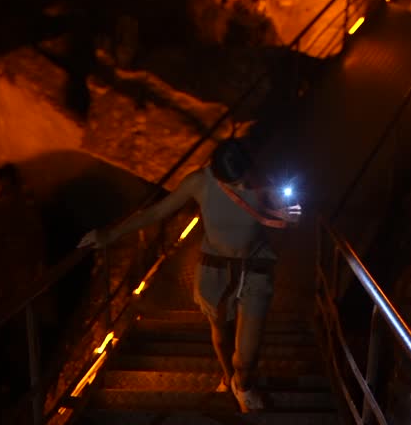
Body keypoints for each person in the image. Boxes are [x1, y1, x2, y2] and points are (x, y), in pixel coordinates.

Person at [79, 138, 299, 412]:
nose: (243, 187)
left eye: (244, 179)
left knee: (247, 353)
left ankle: (242, 384)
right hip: (215, 269)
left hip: (255, 268)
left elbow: (282, 211)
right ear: (218, 175)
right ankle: (227, 377)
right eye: (235, 184)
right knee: (220, 330)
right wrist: (110, 234)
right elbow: (158, 211)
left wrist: (290, 216)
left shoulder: (259, 177)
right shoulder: (199, 182)